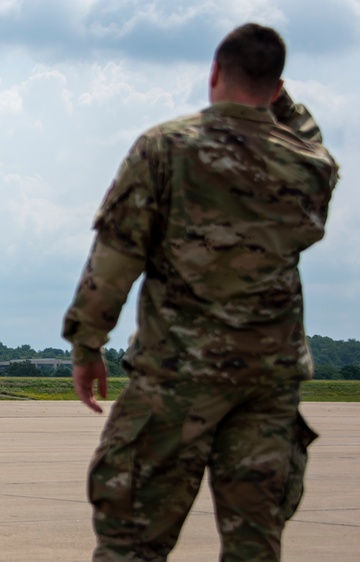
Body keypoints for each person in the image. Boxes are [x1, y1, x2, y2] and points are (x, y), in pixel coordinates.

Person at [62, 23, 339, 561]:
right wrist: (280, 103)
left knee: (132, 542)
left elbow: (117, 256)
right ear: (277, 89)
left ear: (214, 73)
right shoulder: (308, 165)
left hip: (178, 376)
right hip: (268, 382)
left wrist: (87, 344)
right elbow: (307, 136)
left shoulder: (166, 148)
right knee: (255, 545)